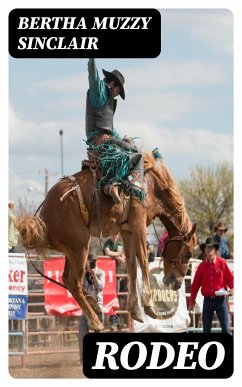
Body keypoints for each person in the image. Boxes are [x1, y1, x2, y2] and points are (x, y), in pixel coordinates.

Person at [85, 58, 145, 204]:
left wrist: (123, 138)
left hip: (104, 140)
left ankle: (110, 184)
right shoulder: (99, 92)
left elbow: (109, 129)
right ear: (113, 84)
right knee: (137, 156)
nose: (118, 94)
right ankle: (127, 185)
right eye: (119, 90)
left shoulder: (106, 99)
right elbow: (93, 74)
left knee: (132, 148)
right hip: (102, 143)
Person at [188, 237, 234, 334]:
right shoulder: (201, 266)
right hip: (207, 301)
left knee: (226, 329)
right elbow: (195, 286)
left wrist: (233, 288)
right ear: (205, 250)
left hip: (221, 300)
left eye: (212, 248)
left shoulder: (222, 263)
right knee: (206, 331)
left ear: (215, 250)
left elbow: (230, 279)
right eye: (208, 248)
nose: (210, 251)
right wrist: (191, 302)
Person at [78, 253, 105, 364]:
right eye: (91, 261)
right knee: (82, 334)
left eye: (94, 261)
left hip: (97, 307)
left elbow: (100, 287)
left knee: (98, 334)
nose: (93, 263)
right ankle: (83, 359)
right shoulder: (83, 273)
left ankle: (99, 358)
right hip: (86, 307)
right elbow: (80, 288)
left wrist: (93, 275)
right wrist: (85, 272)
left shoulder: (100, 272)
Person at [103, 233, 127, 330]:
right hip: (107, 274)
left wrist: (114, 256)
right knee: (108, 296)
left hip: (115, 274)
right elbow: (107, 253)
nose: (115, 236)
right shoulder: (107, 243)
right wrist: (118, 255)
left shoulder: (120, 243)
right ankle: (113, 321)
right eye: (113, 234)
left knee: (115, 297)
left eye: (117, 234)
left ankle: (114, 321)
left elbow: (123, 260)